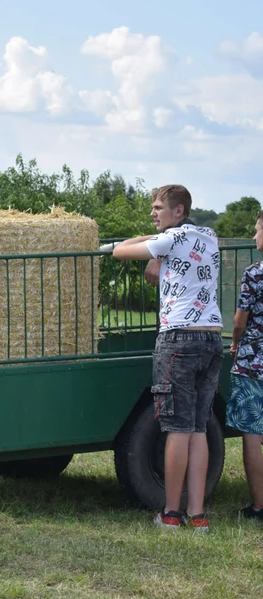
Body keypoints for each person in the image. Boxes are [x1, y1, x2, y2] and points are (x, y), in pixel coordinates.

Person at [113, 184, 223, 532]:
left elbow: (118, 251)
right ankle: (199, 514)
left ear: (179, 210)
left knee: (176, 428)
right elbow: (177, 243)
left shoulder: (171, 240)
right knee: (198, 427)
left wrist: (154, 251)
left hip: (178, 339)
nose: (153, 212)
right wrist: (160, 249)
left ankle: (171, 514)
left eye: (159, 207)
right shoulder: (208, 235)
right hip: (211, 337)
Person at [227, 210, 263, 520]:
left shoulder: (255, 273)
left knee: (252, 435)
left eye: (257, 230)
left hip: (254, 363)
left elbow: (240, 320)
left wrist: (236, 342)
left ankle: (259, 507)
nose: (254, 236)